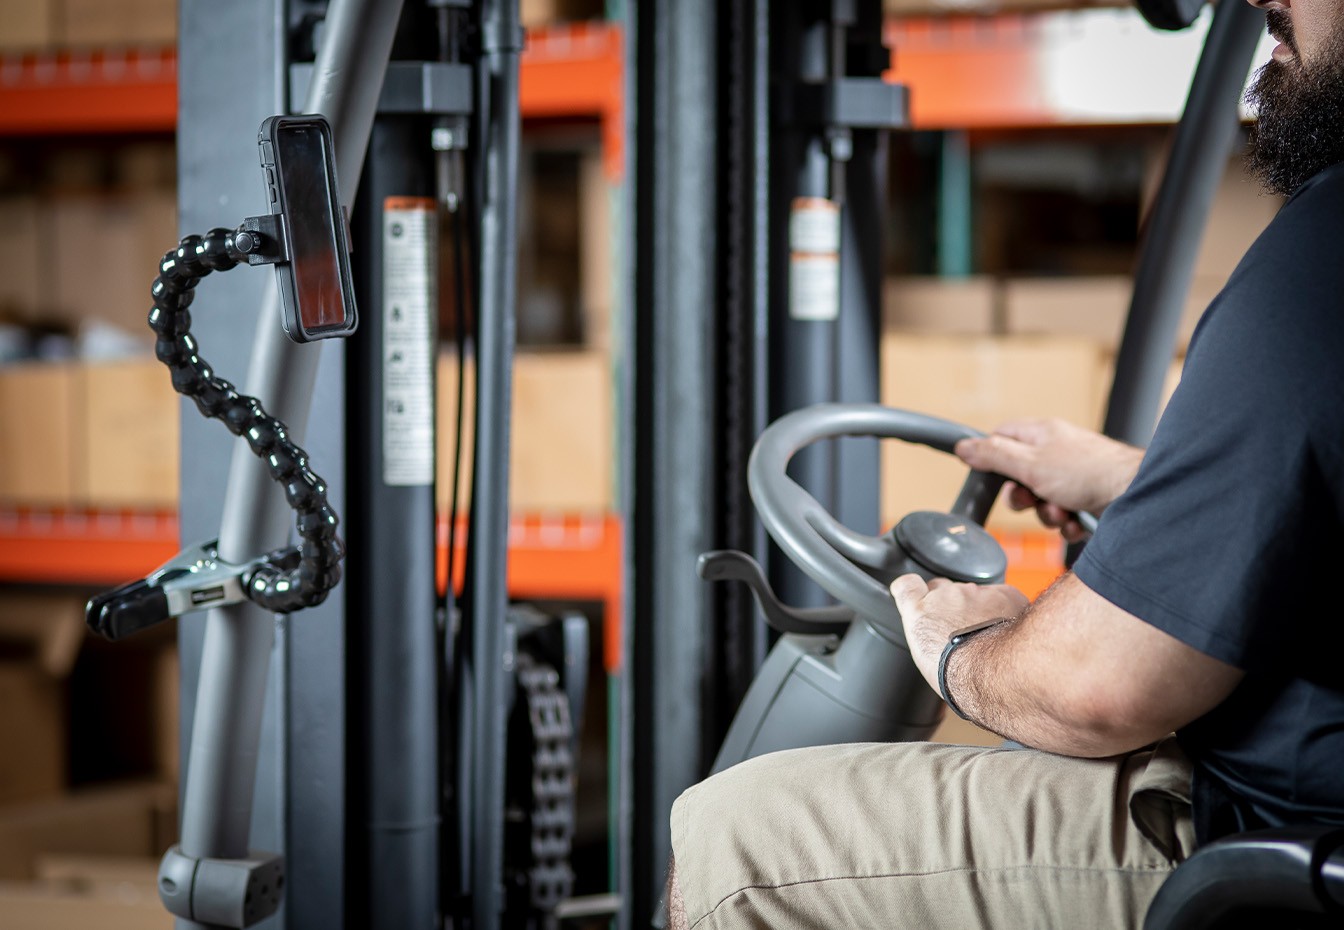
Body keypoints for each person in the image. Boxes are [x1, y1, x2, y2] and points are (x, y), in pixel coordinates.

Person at [664, 0, 1344, 924]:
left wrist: (964, 646)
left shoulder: (1322, 257)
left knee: (737, 833)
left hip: (1266, 851)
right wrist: (1132, 479)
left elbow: (1094, 692)